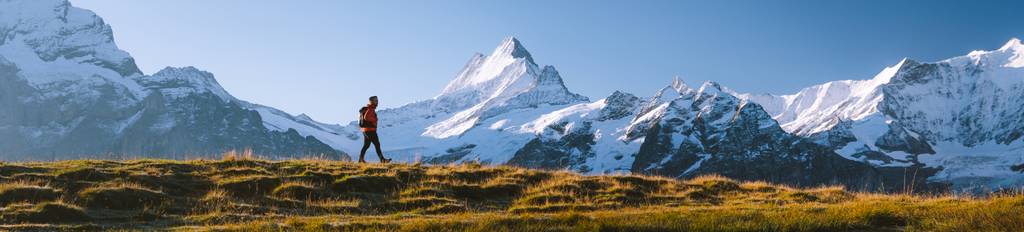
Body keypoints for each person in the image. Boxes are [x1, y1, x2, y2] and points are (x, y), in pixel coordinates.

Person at [358, 96, 391, 163]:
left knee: (366, 145)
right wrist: (375, 119)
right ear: (372, 101)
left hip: (365, 130)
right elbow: (366, 118)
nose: (377, 102)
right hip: (370, 130)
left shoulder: (368, 108)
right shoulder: (371, 109)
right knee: (377, 144)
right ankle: (382, 160)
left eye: (377, 100)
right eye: (375, 100)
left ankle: (360, 160)